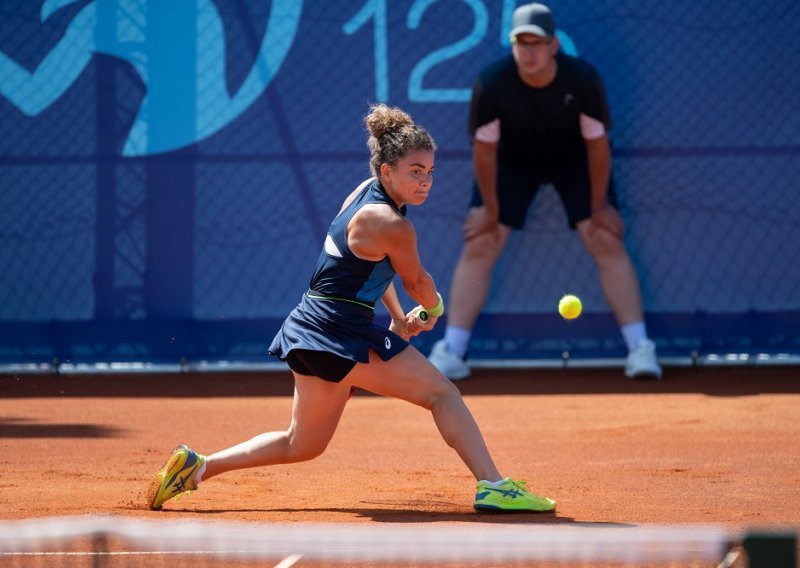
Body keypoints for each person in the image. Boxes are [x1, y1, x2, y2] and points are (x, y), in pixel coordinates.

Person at [147, 104, 556, 513]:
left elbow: (373, 270)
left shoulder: (365, 193)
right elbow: (417, 282)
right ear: (387, 172)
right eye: (415, 171)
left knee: (301, 443)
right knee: (442, 394)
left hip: (311, 325)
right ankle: (493, 486)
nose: (425, 181)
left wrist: (398, 317)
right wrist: (433, 310)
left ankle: (198, 467)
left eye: (430, 171)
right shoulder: (392, 224)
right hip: (336, 332)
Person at [428, 3, 661, 381]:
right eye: (522, 43)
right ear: (513, 46)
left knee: (604, 236)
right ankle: (452, 350)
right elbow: (484, 151)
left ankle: (640, 349)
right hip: (513, 164)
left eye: (537, 42)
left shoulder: (582, 80)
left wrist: (599, 205)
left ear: (554, 45)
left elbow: (598, 146)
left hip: (574, 161)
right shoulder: (493, 83)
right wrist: (488, 208)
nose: (529, 51)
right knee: (482, 240)